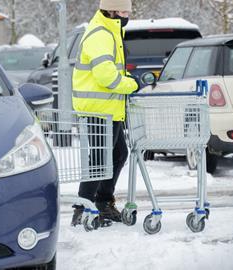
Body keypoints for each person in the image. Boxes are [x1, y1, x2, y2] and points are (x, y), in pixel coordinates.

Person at [71, 0, 140, 226]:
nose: (127, 16)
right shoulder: (100, 34)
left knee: (118, 154)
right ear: (110, 11)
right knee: (100, 160)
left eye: (128, 11)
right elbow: (106, 77)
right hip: (98, 110)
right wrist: (131, 84)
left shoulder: (111, 31)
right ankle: (83, 208)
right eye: (123, 12)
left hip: (109, 109)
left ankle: (102, 203)